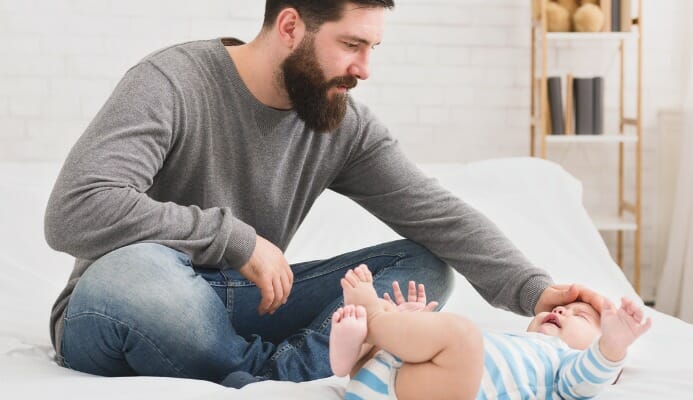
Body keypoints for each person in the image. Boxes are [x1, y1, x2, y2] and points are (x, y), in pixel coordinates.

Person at [45, 0, 604, 388]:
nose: (364, 68)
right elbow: (76, 208)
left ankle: (280, 374)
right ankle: (278, 369)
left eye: (372, 47)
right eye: (351, 44)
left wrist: (536, 291)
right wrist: (237, 241)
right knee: (139, 272)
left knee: (425, 268)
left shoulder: (340, 122)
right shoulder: (172, 82)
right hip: (127, 301)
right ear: (290, 26)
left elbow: (438, 214)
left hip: (244, 306)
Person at [331, 265, 652, 400]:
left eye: (580, 316)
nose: (562, 310)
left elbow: (590, 377)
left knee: (464, 336)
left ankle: (371, 317)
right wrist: (415, 324)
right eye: (562, 308)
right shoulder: (513, 342)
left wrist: (613, 344)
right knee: (454, 337)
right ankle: (355, 350)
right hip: (388, 381)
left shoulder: (565, 369)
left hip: (422, 392)